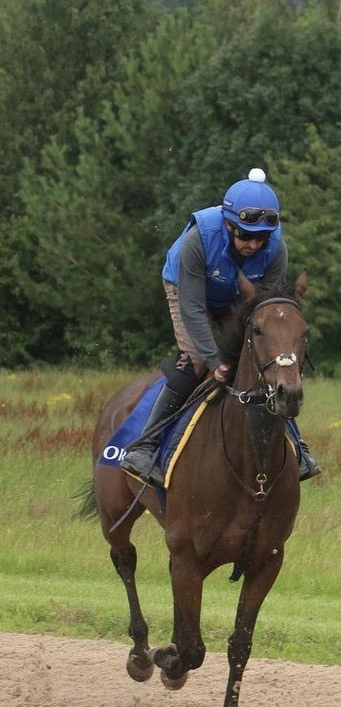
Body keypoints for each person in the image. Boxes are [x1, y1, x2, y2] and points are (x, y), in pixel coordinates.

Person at [120, 168, 321, 486]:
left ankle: (299, 448)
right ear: (228, 224)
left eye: (261, 238)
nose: (254, 245)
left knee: (261, 364)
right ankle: (144, 446)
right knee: (198, 361)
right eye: (245, 235)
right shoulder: (197, 241)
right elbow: (194, 309)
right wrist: (215, 362)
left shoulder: (276, 249)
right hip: (188, 290)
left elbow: (266, 309)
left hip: (240, 297)